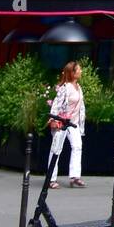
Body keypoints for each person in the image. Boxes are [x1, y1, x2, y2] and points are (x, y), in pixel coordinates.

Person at [48, 61, 86, 189]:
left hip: (73, 123)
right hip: (62, 122)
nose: (81, 71)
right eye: (79, 70)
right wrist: (53, 119)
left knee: (77, 146)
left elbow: (81, 106)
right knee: (56, 149)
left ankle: (75, 176)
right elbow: (56, 104)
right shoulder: (65, 87)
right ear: (72, 73)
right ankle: (51, 179)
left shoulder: (78, 87)